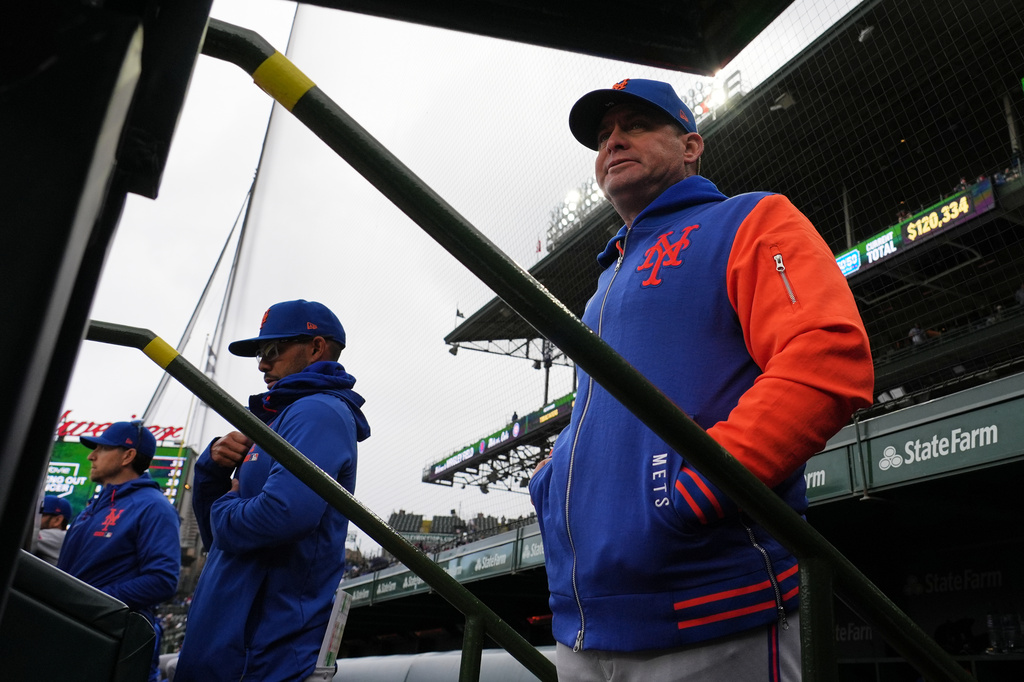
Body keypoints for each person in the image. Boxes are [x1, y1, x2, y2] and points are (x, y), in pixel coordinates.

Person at [529, 78, 874, 680]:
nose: (613, 141)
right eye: (604, 135)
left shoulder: (751, 218)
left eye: (635, 124)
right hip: (582, 622)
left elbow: (826, 354)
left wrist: (700, 489)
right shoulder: (605, 282)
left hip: (713, 608)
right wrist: (552, 485)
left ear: (691, 145)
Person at [174, 299, 371, 682]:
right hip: (232, 648)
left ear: (316, 348)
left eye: (274, 349)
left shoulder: (318, 411)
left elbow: (280, 516)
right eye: (261, 353)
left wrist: (228, 500)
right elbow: (220, 541)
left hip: (264, 655)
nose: (263, 363)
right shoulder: (279, 418)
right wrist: (213, 471)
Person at [57, 420, 181, 682]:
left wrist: (92, 602)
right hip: (76, 631)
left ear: (128, 455)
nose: (91, 455)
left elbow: (162, 580)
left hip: (114, 641)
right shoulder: (95, 505)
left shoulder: (153, 507)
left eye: (102, 448)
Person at [33, 495, 72, 565]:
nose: (35, 518)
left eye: (41, 515)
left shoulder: (59, 536)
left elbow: (24, 535)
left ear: (57, 520)